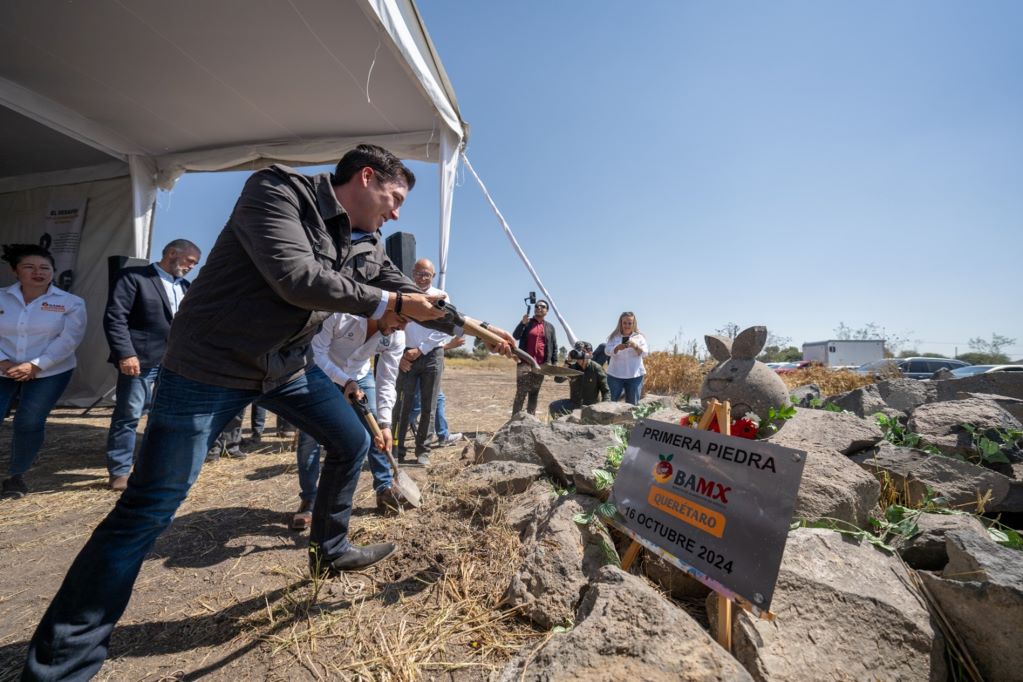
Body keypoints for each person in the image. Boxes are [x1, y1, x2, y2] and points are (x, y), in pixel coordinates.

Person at [22, 144, 514, 680]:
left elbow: (401, 287)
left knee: (351, 443)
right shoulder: (276, 192)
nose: (396, 213)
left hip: (285, 367)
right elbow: (296, 277)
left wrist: (470, 324)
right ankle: (61, 662)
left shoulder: (366, 240)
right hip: (209, 365)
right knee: (151, 506)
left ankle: (330, 547)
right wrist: (390, 306)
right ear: (367, 178)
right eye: (394, 199)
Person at [293, 310, 407, 529]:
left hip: (360, 375)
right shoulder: (340, 314)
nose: (402, 328)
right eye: (401, 320)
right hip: (319, 373)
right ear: (387, 307)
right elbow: (316, 354)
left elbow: (387, 379)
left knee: (375, 431)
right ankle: (309, 499)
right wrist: (344, 381)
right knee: (309, 437)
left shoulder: (397, 334)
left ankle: (384, 488)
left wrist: (385, 423)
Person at [103, 239, 201, 490]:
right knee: (129, 415)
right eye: (190, 261)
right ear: (171, 253)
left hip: (174, 365)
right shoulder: (134, 277)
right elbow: (116, 318)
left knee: (164, 418)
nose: (192, 267)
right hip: (140, 361)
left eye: (195, 264)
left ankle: (151, 467)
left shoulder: (186, 287)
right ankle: (119, 471)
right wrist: (126, 354)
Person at [0, 244, 87, 499]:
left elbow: (69, 339)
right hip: (2, 367)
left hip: (49, 370)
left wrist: (36, 365)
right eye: (29, 267)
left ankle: (16, 476)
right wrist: (3, 363)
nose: (37, 272)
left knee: (28, 421)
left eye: (44, 268)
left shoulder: (70, 303)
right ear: (16, 271)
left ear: (53, 272)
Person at [392, 258, 450, 466]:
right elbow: (394, 326)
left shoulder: (442, 298)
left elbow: (443, 330)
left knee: (429, 405)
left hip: (432, 356)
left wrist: (421, 349)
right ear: (412, 273)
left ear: (433, 276)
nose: (423, 278)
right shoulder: (404, 295)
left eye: (427, 274)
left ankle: (422, 451)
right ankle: (396, 450)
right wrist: (401, 355)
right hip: (406, 357)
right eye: (419, 273)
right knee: (401, 405)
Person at [511, 299, 557, 415]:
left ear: (547, 311)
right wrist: (522, 323)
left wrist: (553, 364)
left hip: (541, 366)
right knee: (521, 393)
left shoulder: (550, 327)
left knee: (534, 393)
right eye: (537, 306)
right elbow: (515, 337)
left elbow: (554, 346)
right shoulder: (527, 323)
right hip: (524, 364)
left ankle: (531, 420)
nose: (539, 308)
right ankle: (514, 421)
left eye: (542, 306)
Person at [548, 341, 609, 417]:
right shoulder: (572, 368)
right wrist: (567, 363)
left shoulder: (596, 368)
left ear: (590, 354)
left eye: (583, 352)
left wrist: (604, 407)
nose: (579, 356)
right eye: (577, 352)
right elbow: (558, 379)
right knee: (553, 406)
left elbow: (606, 391)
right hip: (574, 404)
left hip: (591, 407)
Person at [606, 311, 649, 405]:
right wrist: (617, 348)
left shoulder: (639, 337)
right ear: (620, 323)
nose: (627, 325)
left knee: (632, 405)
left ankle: (631, 420)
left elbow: (645, 353)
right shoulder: (614, 336)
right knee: (611, 403)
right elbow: (607, 351)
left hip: (635, 376)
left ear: (634, 324)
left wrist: (635, 346)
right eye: (624, 323)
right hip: (615, 375)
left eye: (630, 323)